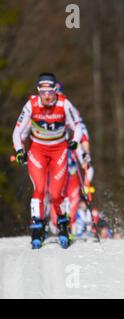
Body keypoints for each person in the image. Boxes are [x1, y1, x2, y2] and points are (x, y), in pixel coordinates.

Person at [12, 73, 83, 249]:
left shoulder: (64, 104)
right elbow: (17, 131)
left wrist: (75, 141)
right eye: (42, 91)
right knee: (40, 189)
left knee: (56, 193)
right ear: (38, 91)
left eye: (49, 91)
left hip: (59, 150)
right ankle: (37, 227)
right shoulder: (31, 104)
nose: (46, 96)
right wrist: (20, 151)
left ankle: (62, 225)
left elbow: (78, 126)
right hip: (38, 150)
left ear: (55, 90)